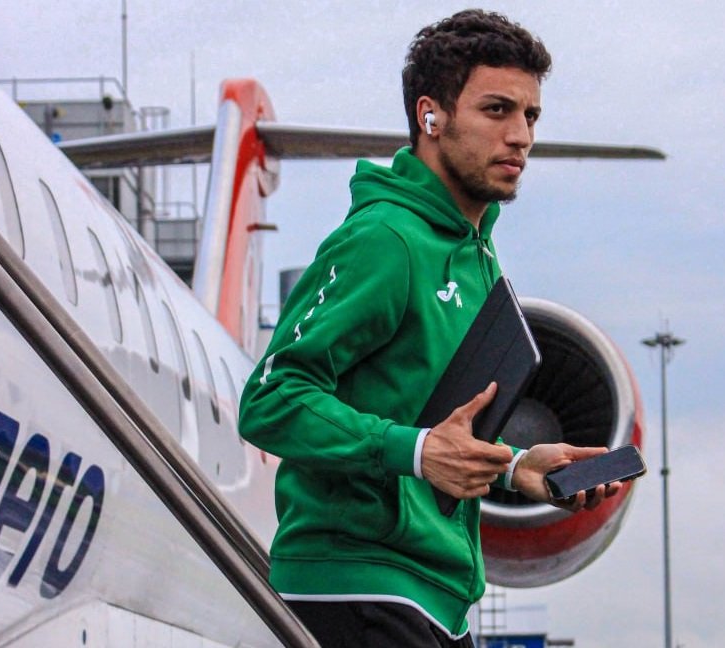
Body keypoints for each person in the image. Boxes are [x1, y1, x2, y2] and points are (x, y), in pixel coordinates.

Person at [239, 9, 619, 647]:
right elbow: (269, 400)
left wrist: (517, 467)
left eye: (531, 116)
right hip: (357, 584)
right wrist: (416, 452)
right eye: (497, 110)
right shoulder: (384, 239)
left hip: (434, 595)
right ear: (431, 116)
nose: (521, 136)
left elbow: (435, 429)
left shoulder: (478, 259)